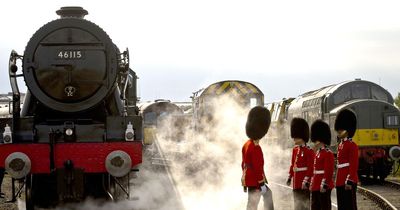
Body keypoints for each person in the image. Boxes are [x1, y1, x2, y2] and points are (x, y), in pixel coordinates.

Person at [241, 106, 274, 210]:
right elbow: (257, 167)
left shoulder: (246, 144)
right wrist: (261, 183)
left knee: (252, 205)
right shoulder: (255, 147)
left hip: (249, 180)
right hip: (256, 181)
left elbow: (243, 165)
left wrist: (245, 180)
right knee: (265, 198)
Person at [286, 118, 314, 210]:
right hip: (296, 183)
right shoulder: (295, 150)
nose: (294, 138)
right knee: (297, 205)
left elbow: (310, 168)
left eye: (296, 136)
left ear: (302, 137)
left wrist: (305, 181)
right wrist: (290, 177)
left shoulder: (309, 151)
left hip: (304, 183)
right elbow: (292, 165)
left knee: (304, 206)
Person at [334, 109, 358, 210]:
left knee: (350, 206)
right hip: (340, 179)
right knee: (342, 206)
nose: (338, 131)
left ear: (347, 130)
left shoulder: (352, 145)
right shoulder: (340, 145)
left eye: (341, 129)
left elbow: (353, 164)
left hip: (348, 179)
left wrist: (350, 180)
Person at [310, 120, 334, 210]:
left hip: (323, 184)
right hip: (316, 184)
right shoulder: (318, 153)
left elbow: (328, 171)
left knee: (324, 206)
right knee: (315, 206)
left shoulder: (328, 153)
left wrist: (324, 184)